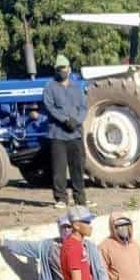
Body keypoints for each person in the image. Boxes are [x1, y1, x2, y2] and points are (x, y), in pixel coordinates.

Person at [43, 54, 93, 210]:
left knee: (77, 168)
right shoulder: (49, 87)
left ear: (69, 69)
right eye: (58, 69)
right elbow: (50, 107)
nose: (61, 71)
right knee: (59, 169)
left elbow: (84, 107)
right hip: (57, 134)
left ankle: (80, 199)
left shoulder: (77, 88)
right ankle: (61, 199)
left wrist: (76, 121)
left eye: (63, 68)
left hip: (75, 134)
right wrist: (65, 120)